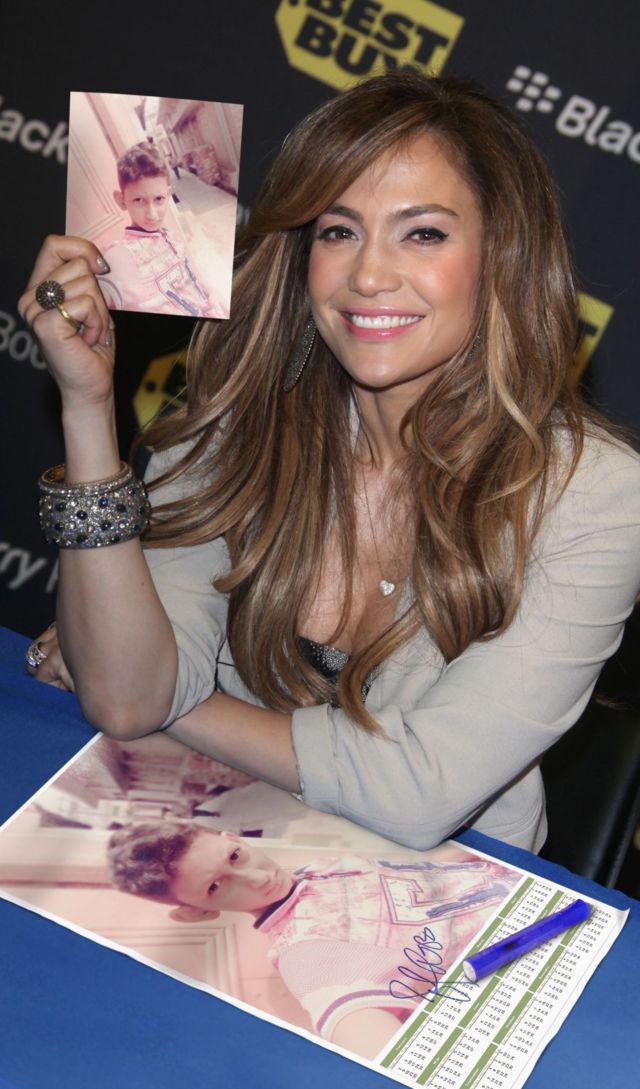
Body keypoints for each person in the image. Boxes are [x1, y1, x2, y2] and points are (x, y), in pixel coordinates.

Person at [19, 72, 640, 855]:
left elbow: (421, 790)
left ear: (501, 258)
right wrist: (86, 407)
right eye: (339, 231)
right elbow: (124, 697)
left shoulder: (595, 495)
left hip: (438, 895)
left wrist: (168, 699)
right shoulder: (242, 415)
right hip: (210, 835)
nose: (368, 276)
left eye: (423, 234)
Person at [106, 821, 518, 1056]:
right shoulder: (305, 955)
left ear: (231, 836)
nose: (257, 877)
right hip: (521, 958)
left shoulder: (319, 868)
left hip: (523, 895)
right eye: (216, 886)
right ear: (196, 911)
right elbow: (370, 1041)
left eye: (235, 857)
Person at [96, 141, 220, 318]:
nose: (152, 214)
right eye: (138, 200)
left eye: (159, 199)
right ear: (121, 200)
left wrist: (209, 292)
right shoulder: (121, 255)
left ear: (168, 195)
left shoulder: (169, 235)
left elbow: (189, 279)